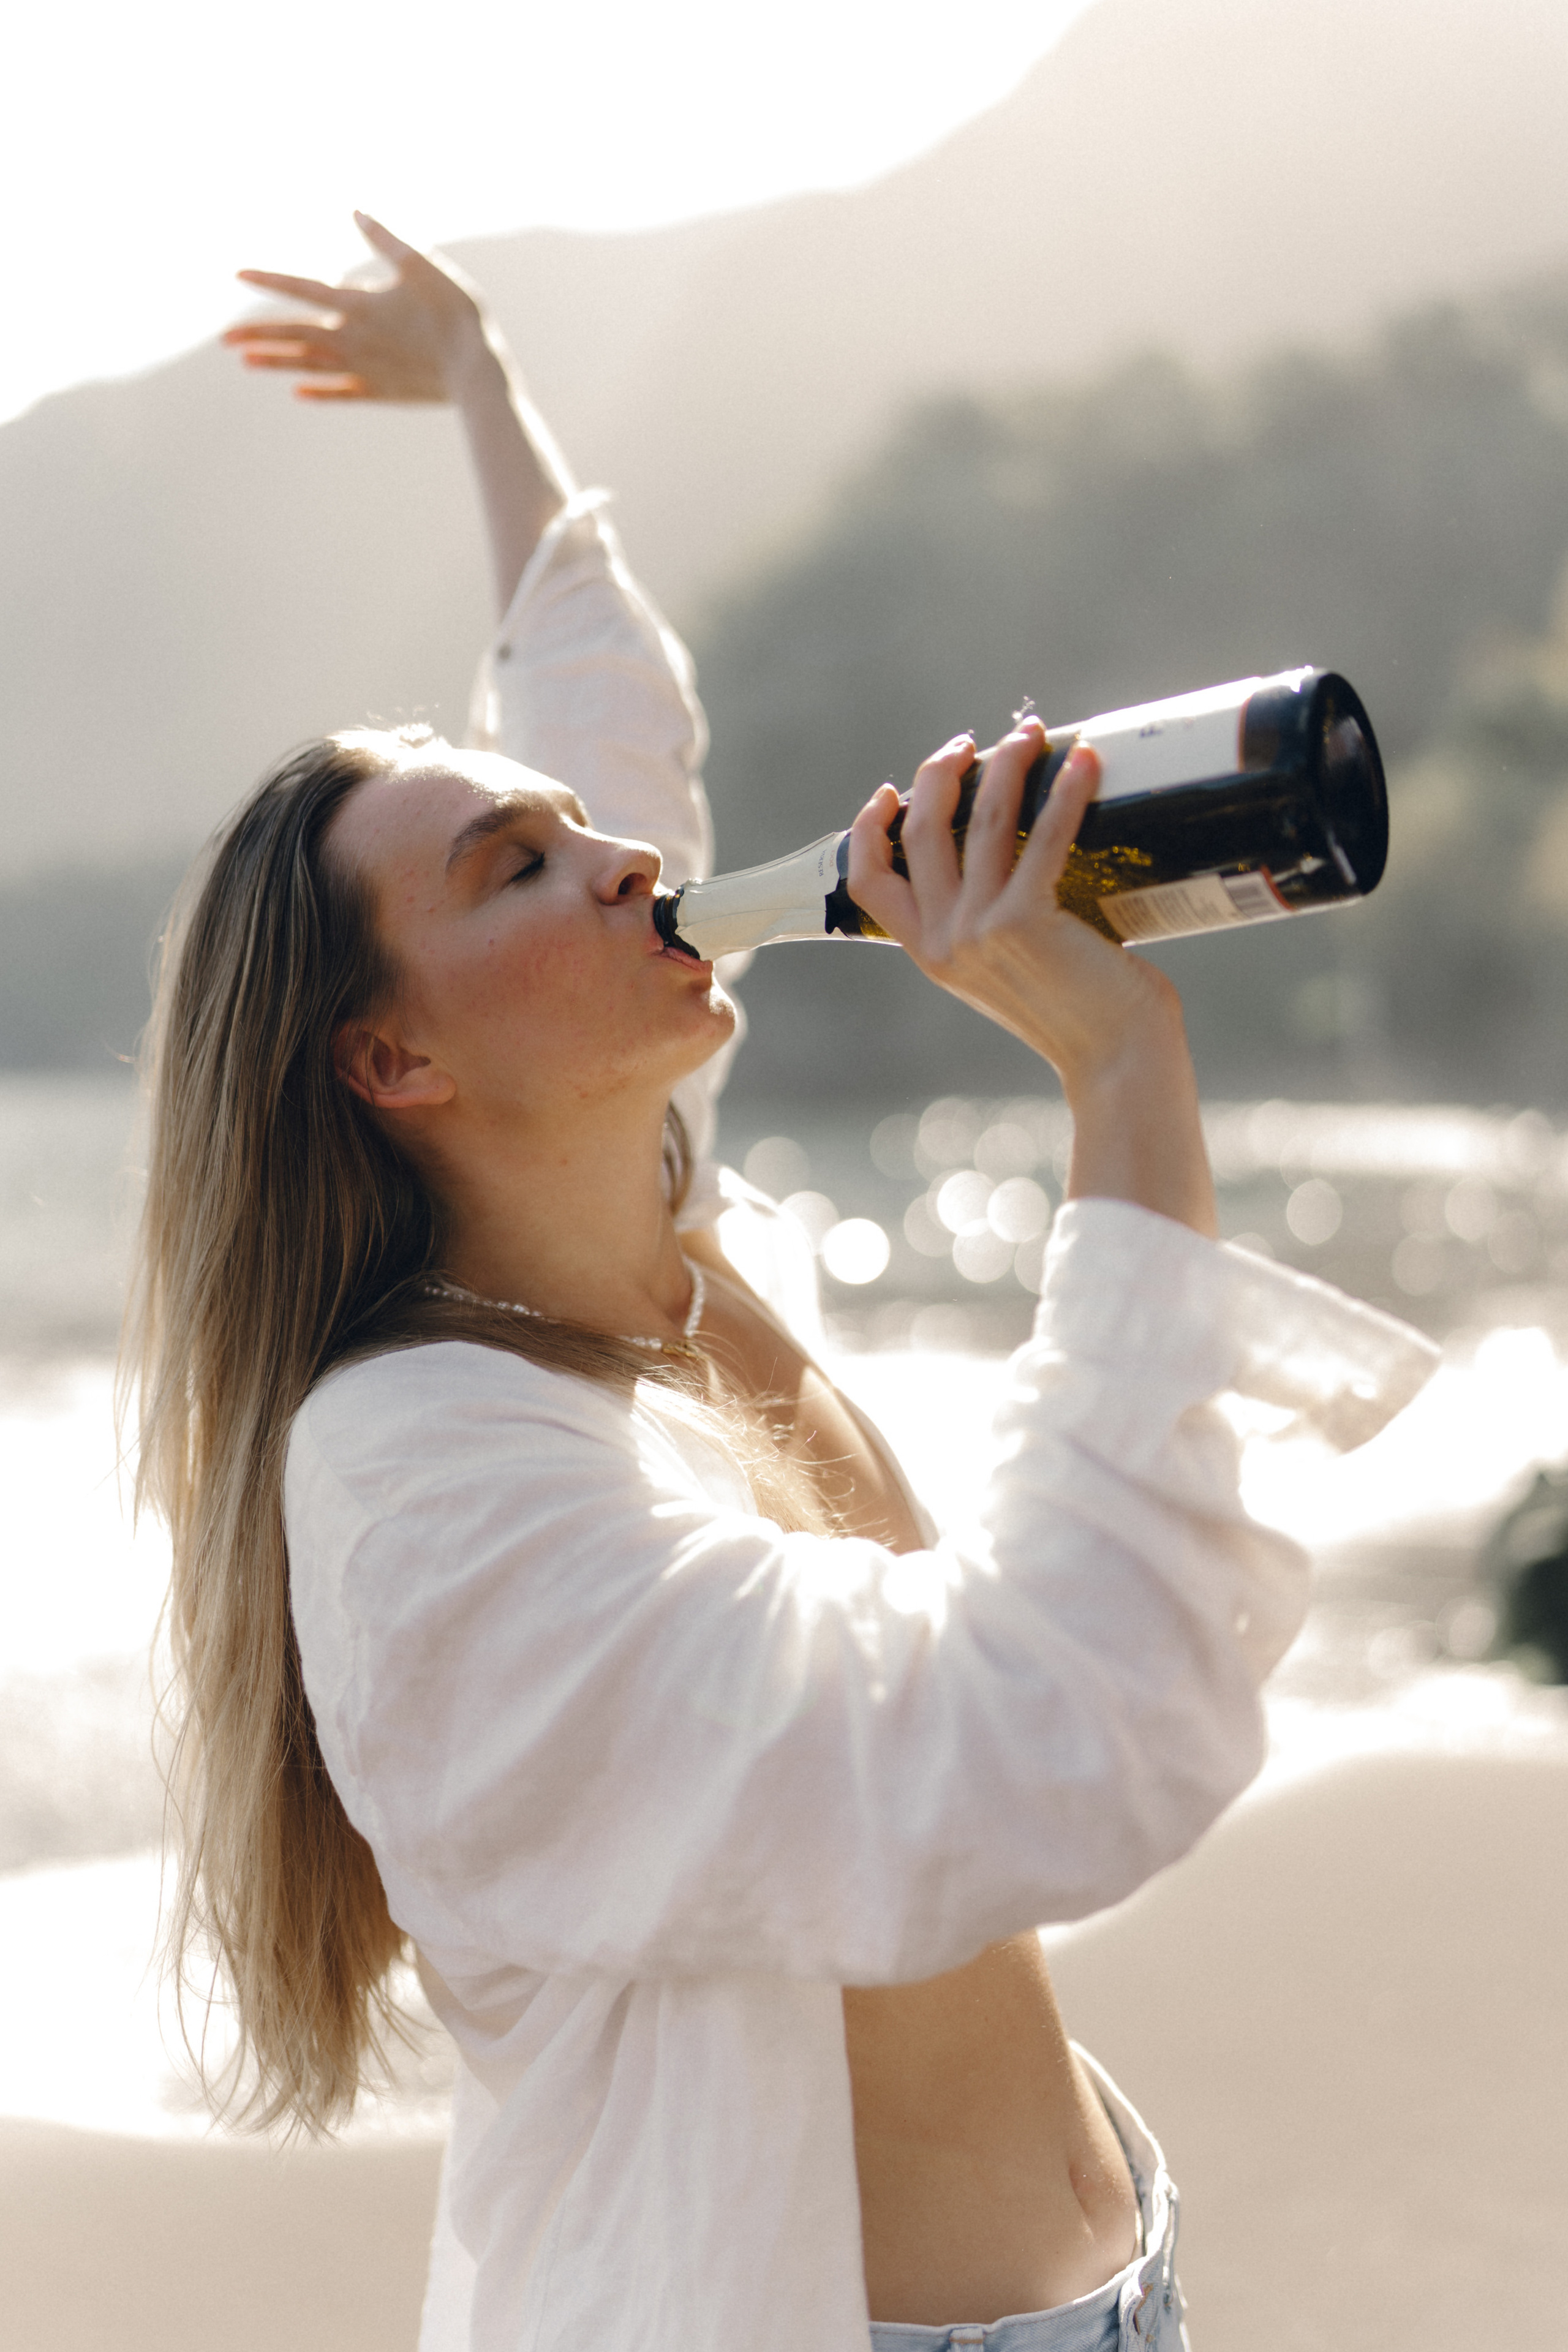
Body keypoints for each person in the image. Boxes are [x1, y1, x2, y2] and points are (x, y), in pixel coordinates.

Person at [131, 218, 1434, 2352]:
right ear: (393, 1062)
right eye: (515, 869)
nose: (616, 858)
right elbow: (1061, 1729)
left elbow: (599, 701)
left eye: (582, 831)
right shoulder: (420, 1488)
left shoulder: (633, 1225)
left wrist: (476, 371)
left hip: (1122, 2290)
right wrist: (1119, 1068)